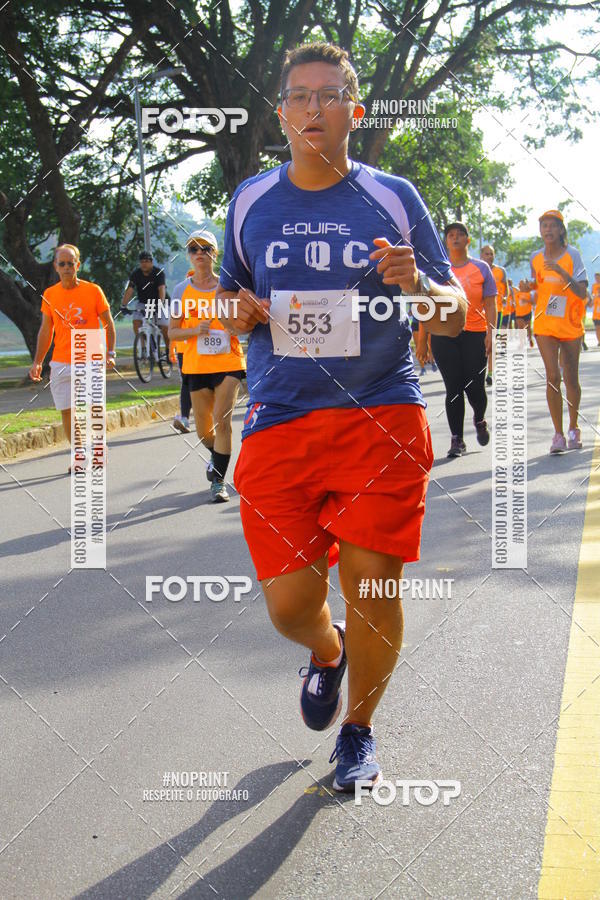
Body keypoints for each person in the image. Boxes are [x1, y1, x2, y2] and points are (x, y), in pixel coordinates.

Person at [216, 42, 466, 792]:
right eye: (299, 97)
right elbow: (228, 303)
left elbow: (452, 315)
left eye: (329, 96)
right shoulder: (251, 201)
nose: (313, 108)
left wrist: (419, 281)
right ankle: (327, 654)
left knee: (374, 587)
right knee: (291, 603)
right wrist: (239, 310)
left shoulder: (393, 196)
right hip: (280, 420)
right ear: (281, 113)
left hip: (381, 417)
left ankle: (357, 732)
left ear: (355, 110)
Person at [168, 230, 246, 502]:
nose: (199, 253)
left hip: (229, 362)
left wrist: (228, 324)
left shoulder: (228, 287)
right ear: (189, 256)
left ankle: (219, 483)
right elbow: (172, 333)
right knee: (204, 431)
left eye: (205, 248)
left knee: (222, 422)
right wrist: (194, 332)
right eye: (193, 249)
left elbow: (244, 326)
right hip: (196, 366)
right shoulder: (181, 290)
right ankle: (217, 458)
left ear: (214, 253)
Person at [29, 244, 116, 471]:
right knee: (67, 410)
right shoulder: (50, 294)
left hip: (90, 353)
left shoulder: (93, 290)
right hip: (60, 360)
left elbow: (108, 324)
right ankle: (79, 455)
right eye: (62, 264)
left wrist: (110, 353)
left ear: (78, 265)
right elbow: (46, 330)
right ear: (56, 267)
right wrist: (38, 361)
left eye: (71, 263)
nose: (67, 267)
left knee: (93, 407)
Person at [519, 209, 587, 453]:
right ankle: (557, 434)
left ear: (561, 230)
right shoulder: (536, 257)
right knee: (552, 377)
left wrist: (561, 272)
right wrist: (529, 287)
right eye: (543, 225)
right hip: (546, 322)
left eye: (552, 225)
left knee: (571, 378)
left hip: (570, 322)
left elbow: (582, 292)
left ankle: (574, 427)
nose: (547, 229)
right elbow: (540, 289)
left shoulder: (573, 255)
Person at [429, 223, 496, 458]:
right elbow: (427, 306)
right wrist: (424, 338)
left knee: (474, 386)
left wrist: (491, 333)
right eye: (450, 235)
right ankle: (457, 439)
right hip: (444, 335)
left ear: (468, 240)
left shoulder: (481, 268)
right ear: (446, 241)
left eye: (460, 235)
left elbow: (490, 303)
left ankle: (479, 418)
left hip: (474, 333)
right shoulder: (437, 270)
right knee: (453, 388)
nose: (455, 238)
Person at [121, 251, 170, 356]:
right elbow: (129, 290)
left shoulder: (158, 273)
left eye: (147, 261)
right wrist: (123, 305)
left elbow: (161, 289)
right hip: (143, 302)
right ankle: (144, 348)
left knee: (164, 327)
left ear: (151, 262)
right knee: (136, 323)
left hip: (160, 301)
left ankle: (169, 350)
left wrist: (160, 305)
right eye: (142, 261)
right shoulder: (136, 274)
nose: (144, 264)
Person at [480, 244, 507, 383]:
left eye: (491, 254)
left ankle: (490, 373)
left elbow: (506, 289)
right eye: (486, 254)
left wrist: (504, 299)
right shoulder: (478, 269)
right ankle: (479, 371)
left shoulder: (500, 271)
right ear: (481, 255)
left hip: (497, 310)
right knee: (480, 343)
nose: (489, 256)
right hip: (479, 313)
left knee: (492, 339)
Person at [592, 273, 600, 347]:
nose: (597, 279)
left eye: (598, 277)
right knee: (597, 327)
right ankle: (599, 341)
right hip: (596, 311)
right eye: (596, 278)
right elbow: (592, 296)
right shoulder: (594, 286)